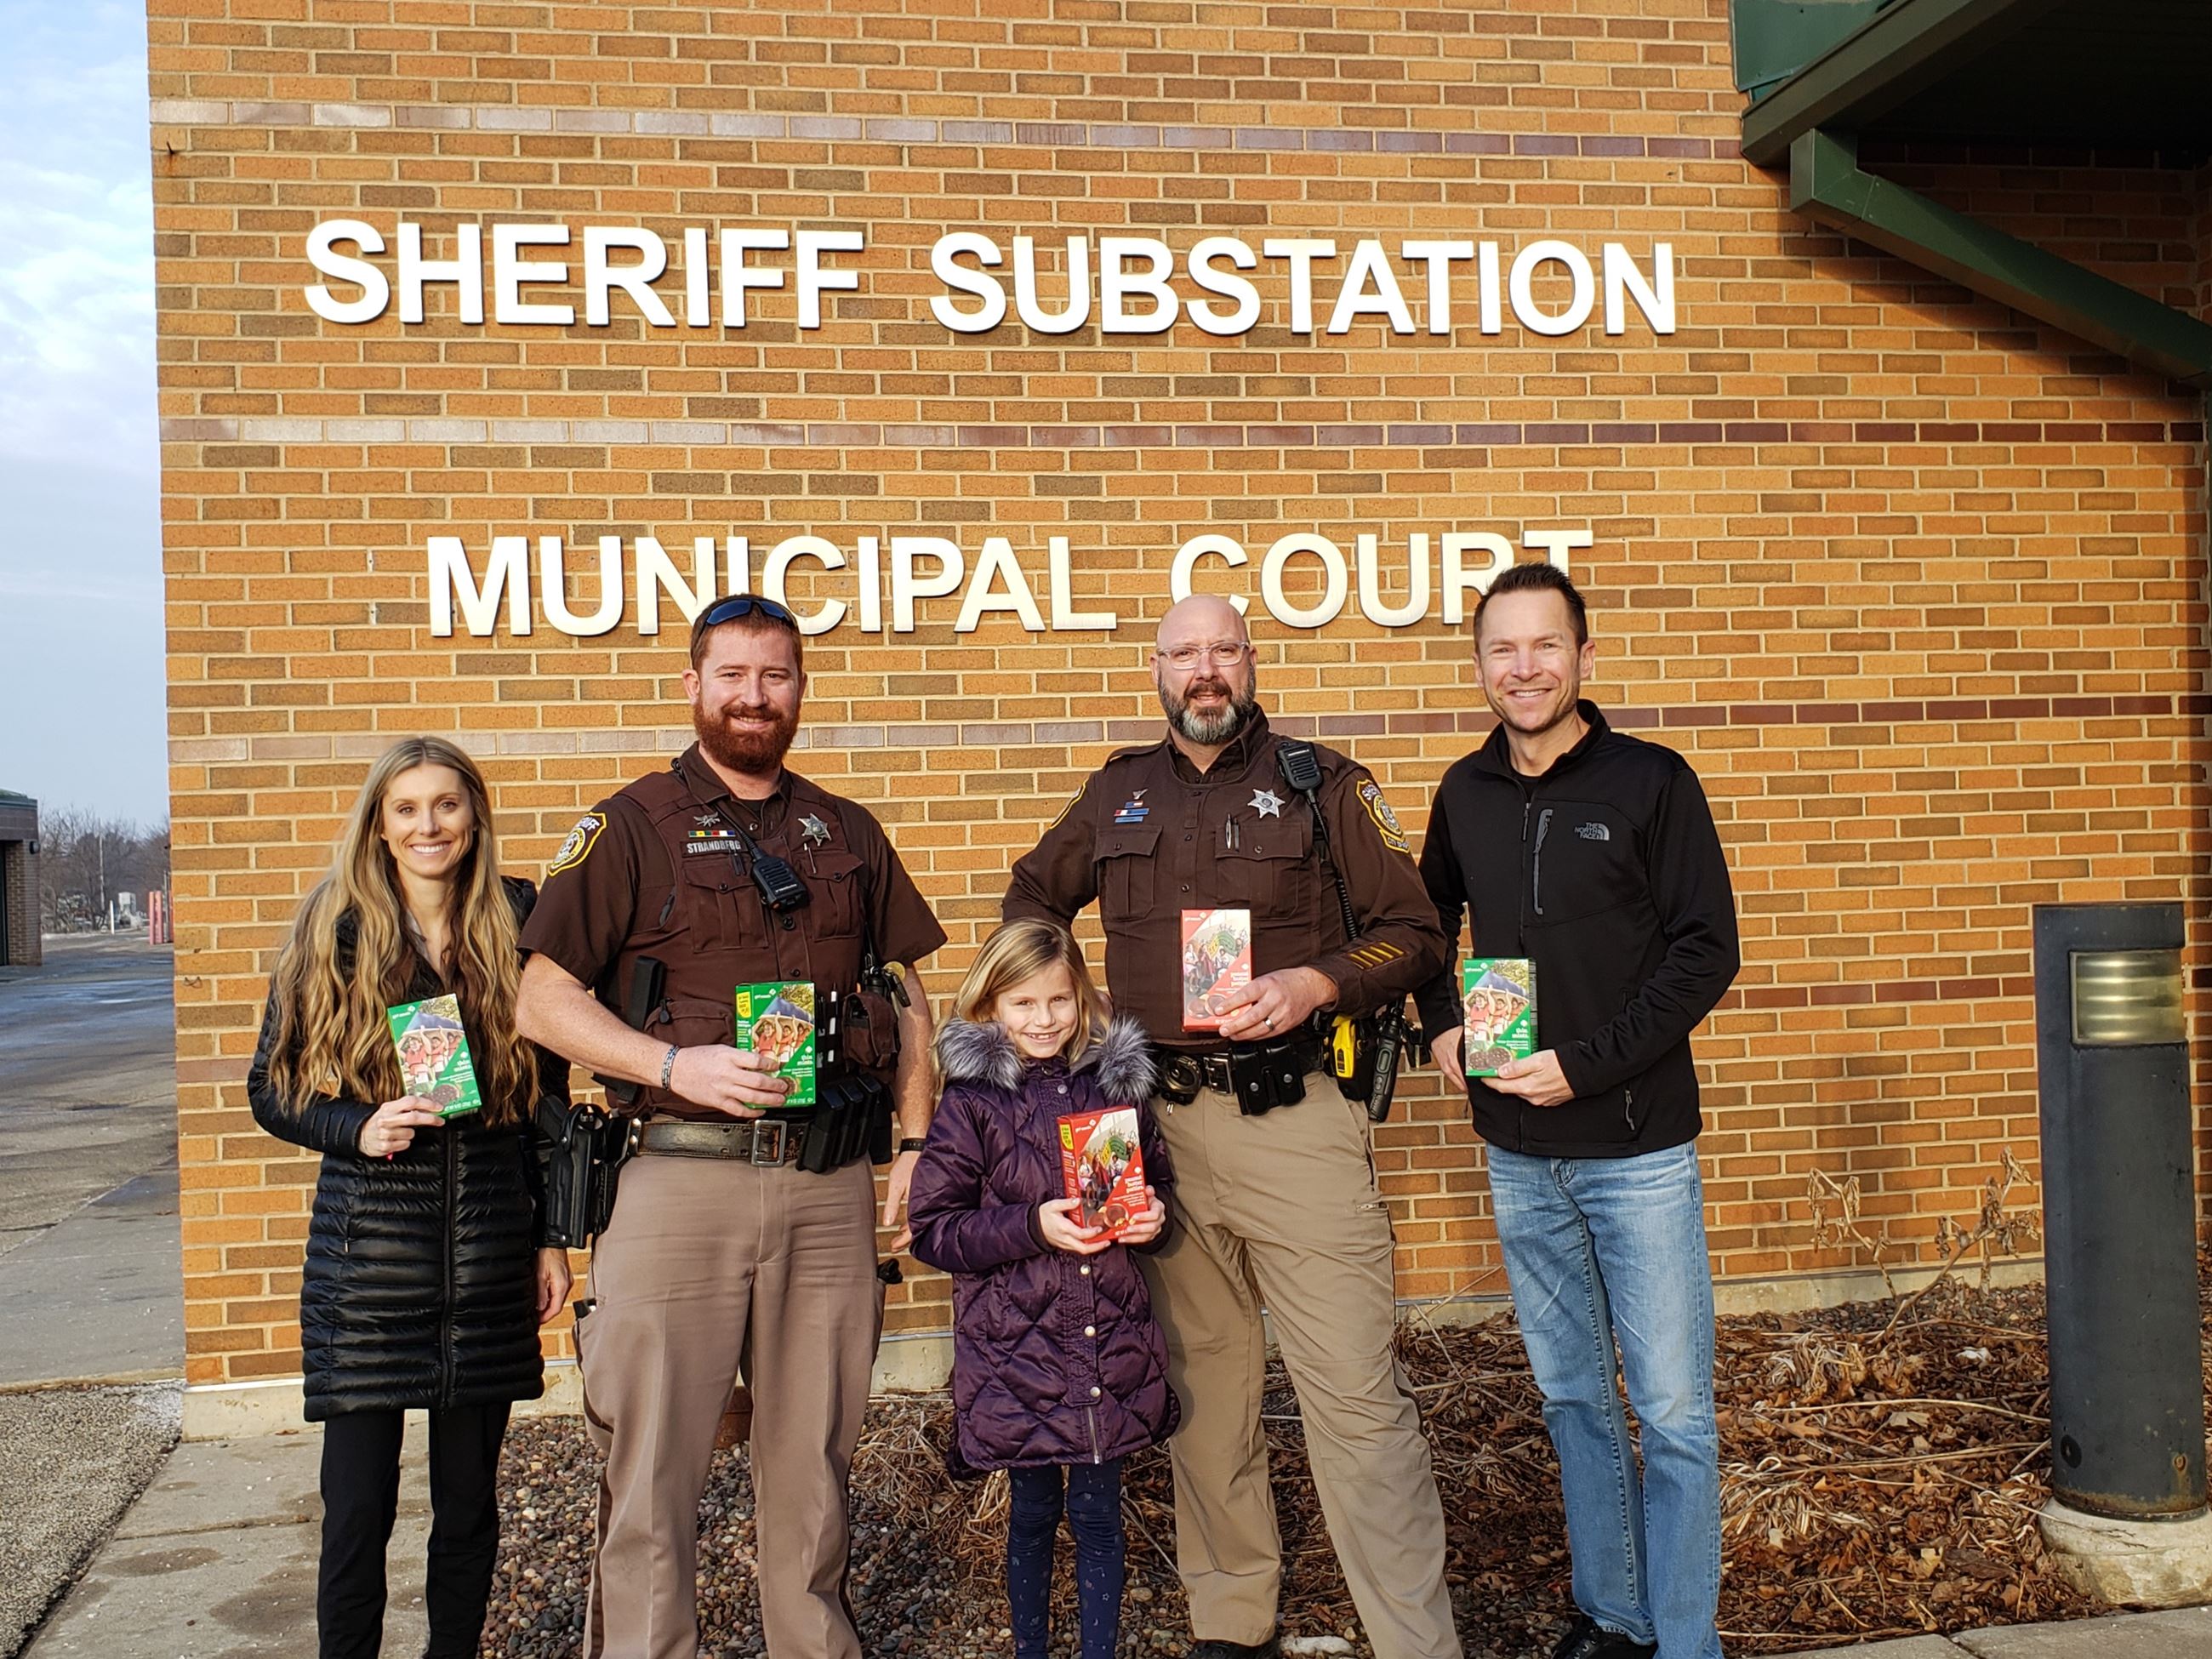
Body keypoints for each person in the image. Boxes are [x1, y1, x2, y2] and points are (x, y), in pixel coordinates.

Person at [1006, 594, 1461, 1659]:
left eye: (1222, 650)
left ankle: (1415, 1641)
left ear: (1250, 663)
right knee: (1201, 1387)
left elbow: (1415, 933)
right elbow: (1030, 897)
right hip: (1148, 1125)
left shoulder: (1321, 784)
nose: (1203, 670)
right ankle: (1230, 1622)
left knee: (1355, 1396)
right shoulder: (1116, 791)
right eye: (1183, 653)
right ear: (1156, 669)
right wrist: (1063, 1008)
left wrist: (1315, 982)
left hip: (1291, 1118)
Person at [514, 593, 946, 1659]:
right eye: (733, 675)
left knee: (815, 1463)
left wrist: (917, 1141)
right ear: (692, 685)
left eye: (776, 675)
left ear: (799, 687)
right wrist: (672, 1065)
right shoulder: (627, 827)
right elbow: (540, 999)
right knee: (653, 1468)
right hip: (678, 1179)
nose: (755, 696)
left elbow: (908, 998)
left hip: (826, 1188)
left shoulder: (847, 831)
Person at [1415, 562, 1741, 1659]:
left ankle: (1685, 1641)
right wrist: (1440, 1022)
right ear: (1478, 667)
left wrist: (1584, 1066)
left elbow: (1705, 951)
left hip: (1636, 1151)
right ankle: (1614, 1616)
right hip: (1517, 1152)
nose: (1523, 668)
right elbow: (1425, 923)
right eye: (1501, 650)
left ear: (1583, 656)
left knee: (1672, 1414)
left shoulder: (1650, 782)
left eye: (1544, 645)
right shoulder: (1464, 791)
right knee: (1572, 1402)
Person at [248, 735, 573, 1659]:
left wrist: (550, 1239)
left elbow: (549, 1105)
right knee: (358, 1511)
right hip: (368, 1268)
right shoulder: (334, 926)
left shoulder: (518, 919)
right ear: (380, 825)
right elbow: (270, 1090)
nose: (428, 825)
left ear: (473, 816)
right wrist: (356, 1126)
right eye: (407, 808)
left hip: (487, 1257)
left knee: (469, 1510)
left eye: (446, 804)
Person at [907, 918, 1178, 1659]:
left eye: (1058, 1000)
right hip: (1016, 1354)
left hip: (1106, 1341)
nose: (1044, 1020)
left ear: (1081, 997)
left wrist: (1154, 1218)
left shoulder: (1115, 1086)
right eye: (1022, 1003)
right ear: (990, 1004)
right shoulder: (971, 1104)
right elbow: (934, 1230)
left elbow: (1155, 1185)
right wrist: (1031, 1225)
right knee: (1031, 1515)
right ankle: (1031, 1648)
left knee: (1098, 1516)